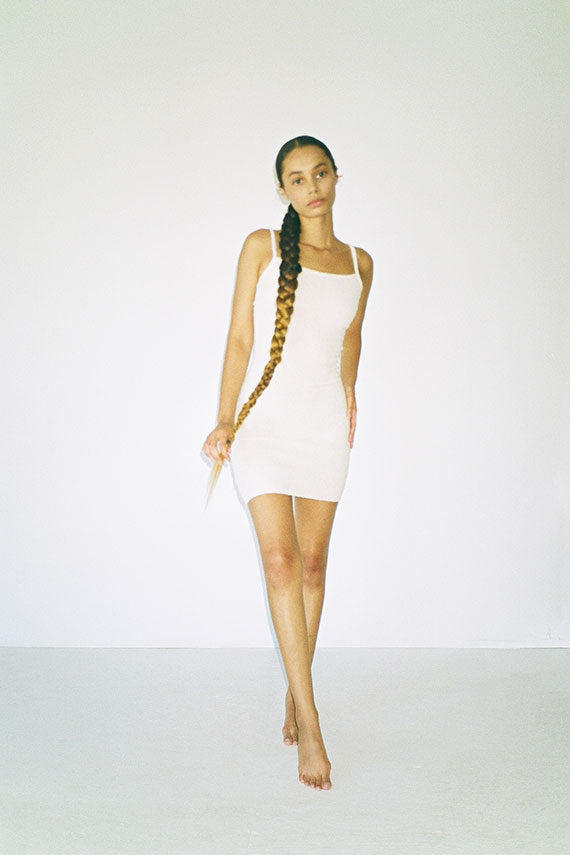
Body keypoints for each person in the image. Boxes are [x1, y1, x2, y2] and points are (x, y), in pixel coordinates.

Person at [202, 135, 373, 790]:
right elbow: (240, 336)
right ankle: (311, 716)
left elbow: (352, 335)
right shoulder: (263, 247)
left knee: (312, 564)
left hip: (323, 426)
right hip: (265, 428)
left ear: (335, 177)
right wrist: (224, 418)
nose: (311, 187)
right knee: (279, 561)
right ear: (283, 190)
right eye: (296, 178)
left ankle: (293, 689)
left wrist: (351, 388)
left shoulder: (359, 262)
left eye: (319, 173)